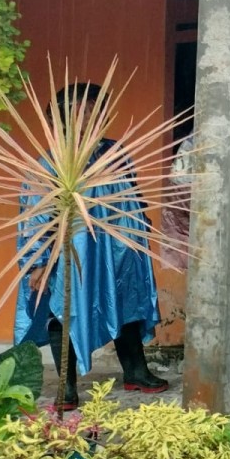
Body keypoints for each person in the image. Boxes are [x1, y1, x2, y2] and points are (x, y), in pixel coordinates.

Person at [16, 82, 169, 410]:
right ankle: (66, 387)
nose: (90, 117)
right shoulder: (50, 165)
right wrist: (39, 261)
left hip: (122, 251)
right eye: (80, 111)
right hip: (75, 256)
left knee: (128, 304)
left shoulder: (116, 152)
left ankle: (136, 371)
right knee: (62, 310)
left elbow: (133, 194)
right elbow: (35, 217)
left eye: (95, 110)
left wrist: (142, 228)